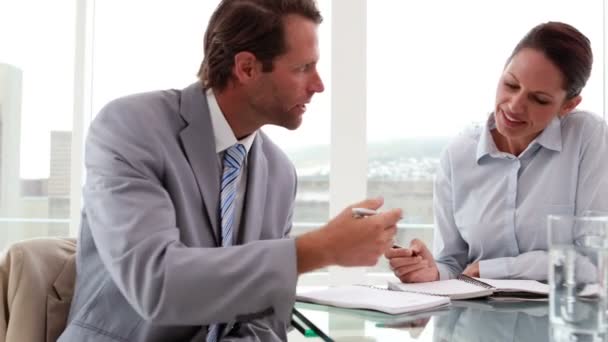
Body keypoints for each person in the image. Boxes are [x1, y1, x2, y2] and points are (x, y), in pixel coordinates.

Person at [59, 0, 401, 341]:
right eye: (302, 68)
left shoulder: (280, 173)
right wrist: (320, 248)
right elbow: (156, 283)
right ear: (247, 68)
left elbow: (264, 315)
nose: (318, 85)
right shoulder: (132, 127)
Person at [386, 21, 608, 283]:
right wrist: (431, 272)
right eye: (511, 85)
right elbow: (453, 264)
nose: (514, 106)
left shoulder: (588, 138)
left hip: (561, 319)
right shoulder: (458, 155)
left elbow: (597, 262)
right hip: (476, 320)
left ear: (568, 105)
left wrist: (497, 269)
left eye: (539, 99)